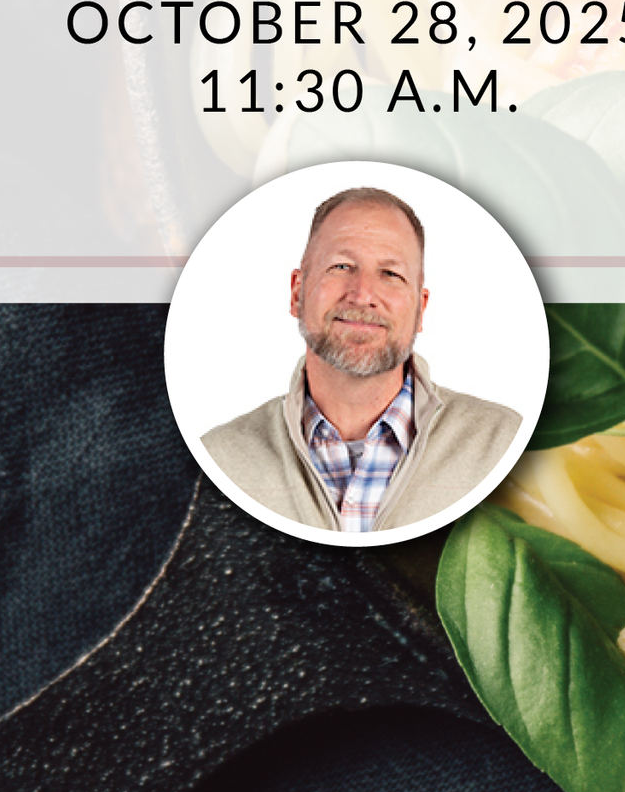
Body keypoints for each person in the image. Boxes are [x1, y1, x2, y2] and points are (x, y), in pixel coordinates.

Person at [203, 186, 523, 533]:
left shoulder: (505, 446)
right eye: (341, 266)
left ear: (420, 309)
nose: (363, 295)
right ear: (297, 293)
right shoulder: (218, 461)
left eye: (391, 274)